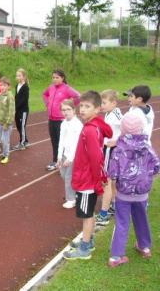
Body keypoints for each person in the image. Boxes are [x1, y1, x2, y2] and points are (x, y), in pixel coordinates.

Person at [63, 91, 112, 260]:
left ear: (97, 109)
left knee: (87, 215)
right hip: (87, 179)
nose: (82, 109)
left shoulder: (90, 130)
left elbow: (96, 157)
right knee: (87, 213)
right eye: (81, 106)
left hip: (87, 182)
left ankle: (84, 248)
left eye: (87, 106)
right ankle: (87, 240)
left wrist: (99, 180)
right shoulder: (92, 126)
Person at [107, 112, 159, 267]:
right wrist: (147, 177)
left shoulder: (118, 149)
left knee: (122, 223)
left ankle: (116, 256)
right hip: (142, 194)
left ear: (122, 128)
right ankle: (144, 247)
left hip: (123, 193)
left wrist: (114, 190)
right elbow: (156, 166)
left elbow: (112, 173)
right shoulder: (147, 148)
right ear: (141, 128)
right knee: (141, 219)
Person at [43, 69, 80, 171]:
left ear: (62, 78)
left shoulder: (66, 88)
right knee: (54, 141)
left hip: (61, 120)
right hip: (51, 119)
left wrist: (71, 107)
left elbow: (77, 96)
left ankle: (67, 162)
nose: (54, 79)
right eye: (53, 77)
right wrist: (47, 104)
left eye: (57, 77)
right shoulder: (51, 88)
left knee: (63, 142)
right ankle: (56, 161)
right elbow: (44, 94)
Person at [95, 90, 123, 226]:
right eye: (101, 102)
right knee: (112, 181)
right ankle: (114, 205)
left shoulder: (116, 116)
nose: (102, 105)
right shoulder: (110, 113)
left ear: (114, 103)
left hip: (111, 150)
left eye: (104, 103)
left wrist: (117, 141)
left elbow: (127, 129)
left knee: (106, 181)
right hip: (109, 149)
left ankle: (104, 214)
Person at [56, 99, 83, 209]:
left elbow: (77, 143)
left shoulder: (77, 124)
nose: (66, 112)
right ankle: (76, 191)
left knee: (68, 177)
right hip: (64, 154)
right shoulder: (63, 123)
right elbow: (61, 140)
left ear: (74, 110)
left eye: (68, 109)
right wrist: (58, 156)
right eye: (63, 110)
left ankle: (71, 199)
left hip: (74, 155)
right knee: (63, 174)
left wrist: (70, 158)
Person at [13, 68, 30, 150]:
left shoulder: (25, 87)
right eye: (17, 76)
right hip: (17, 110)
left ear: (24, 77)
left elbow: (24, 100)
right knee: (18, 126)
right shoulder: (17, 86)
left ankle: (22, 143)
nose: (18, 77)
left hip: (23, 111)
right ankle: (26, 141)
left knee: (22, 126)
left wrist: (15, 107)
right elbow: (16, 97)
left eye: (19, 76)